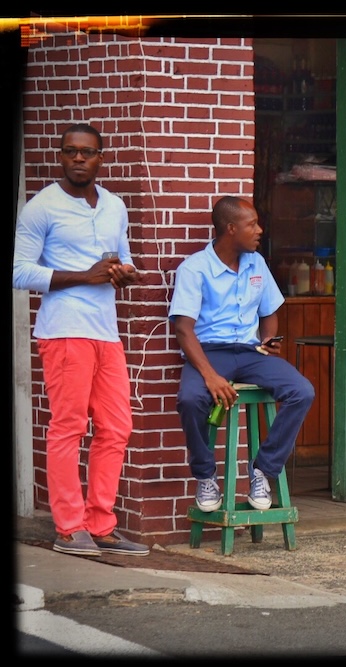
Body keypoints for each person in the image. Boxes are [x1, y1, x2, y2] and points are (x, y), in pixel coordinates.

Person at [12, 123, 150, 557]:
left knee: (116, 428)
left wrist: (123, 273)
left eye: (86, 152)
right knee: (69, 427)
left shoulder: (114, 206)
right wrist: (81, 276)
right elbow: (18, 271)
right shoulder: (42, 207)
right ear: (60, 156)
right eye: (70, 151)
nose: (78, 159)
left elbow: (122, 256)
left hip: (106, 331)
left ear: (99, 158)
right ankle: (69, 528)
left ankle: (100, 523)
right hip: (65, 330)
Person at [169, 196, 315, 514]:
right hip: (209, 352)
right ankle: (206, 477)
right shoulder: (194, 269)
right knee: (191, 399)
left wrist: (267, 338)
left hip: (250, 353)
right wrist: (210, 375)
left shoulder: (256, 263)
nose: (259, 230)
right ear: (231, 229)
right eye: (252, 225)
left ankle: (263, 471)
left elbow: (270, 309)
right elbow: (183, 329)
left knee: (301, 391)